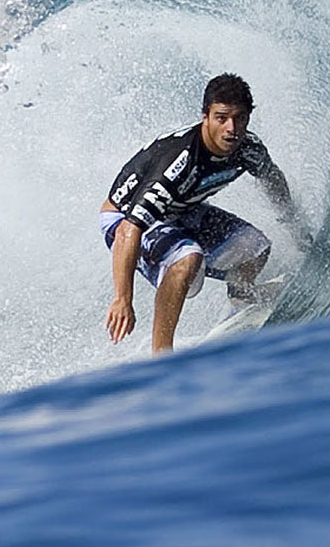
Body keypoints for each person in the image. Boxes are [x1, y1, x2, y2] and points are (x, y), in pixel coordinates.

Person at [99, 72, 309, 353]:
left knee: (254, 246)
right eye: (221, 118)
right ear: (205, 117)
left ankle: (241, 299)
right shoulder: (178, 165)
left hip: (181, 210)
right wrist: (123, 298)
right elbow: (129, 230)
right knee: (188, 259)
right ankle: (162, 355)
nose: (231, 128)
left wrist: (292, 223)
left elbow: (273, 179)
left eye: (240, 118)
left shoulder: (248, 149)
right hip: (123, 219)